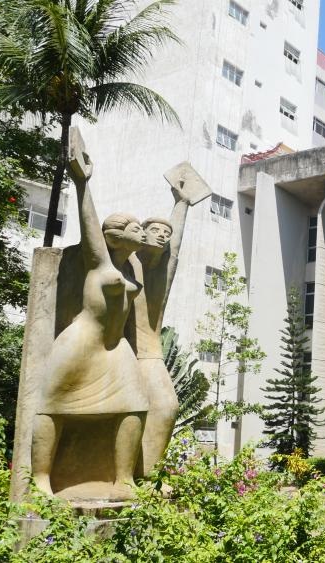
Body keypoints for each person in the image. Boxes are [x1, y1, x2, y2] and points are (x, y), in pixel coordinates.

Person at [31, 137, 149, 497]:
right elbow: (90, 227)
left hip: (114, 349)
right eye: (135, 227)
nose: (142, 231)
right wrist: (82, 182)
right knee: (52, 407)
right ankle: (39, 480)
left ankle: (124, 479)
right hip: (80, 343)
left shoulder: (135, 268)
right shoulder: (101, 263)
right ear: (115, 234)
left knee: (136, 407)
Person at [133, 181, 193, 476]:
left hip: (148, 353)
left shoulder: (161, 274)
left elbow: (176, 246)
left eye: (165, 234)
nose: (162, 236)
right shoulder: (121, 267)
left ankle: (148, 474)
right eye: (155, 231)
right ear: (141, 233)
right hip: (115, 350)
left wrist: (181, 204)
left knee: (167, 406)